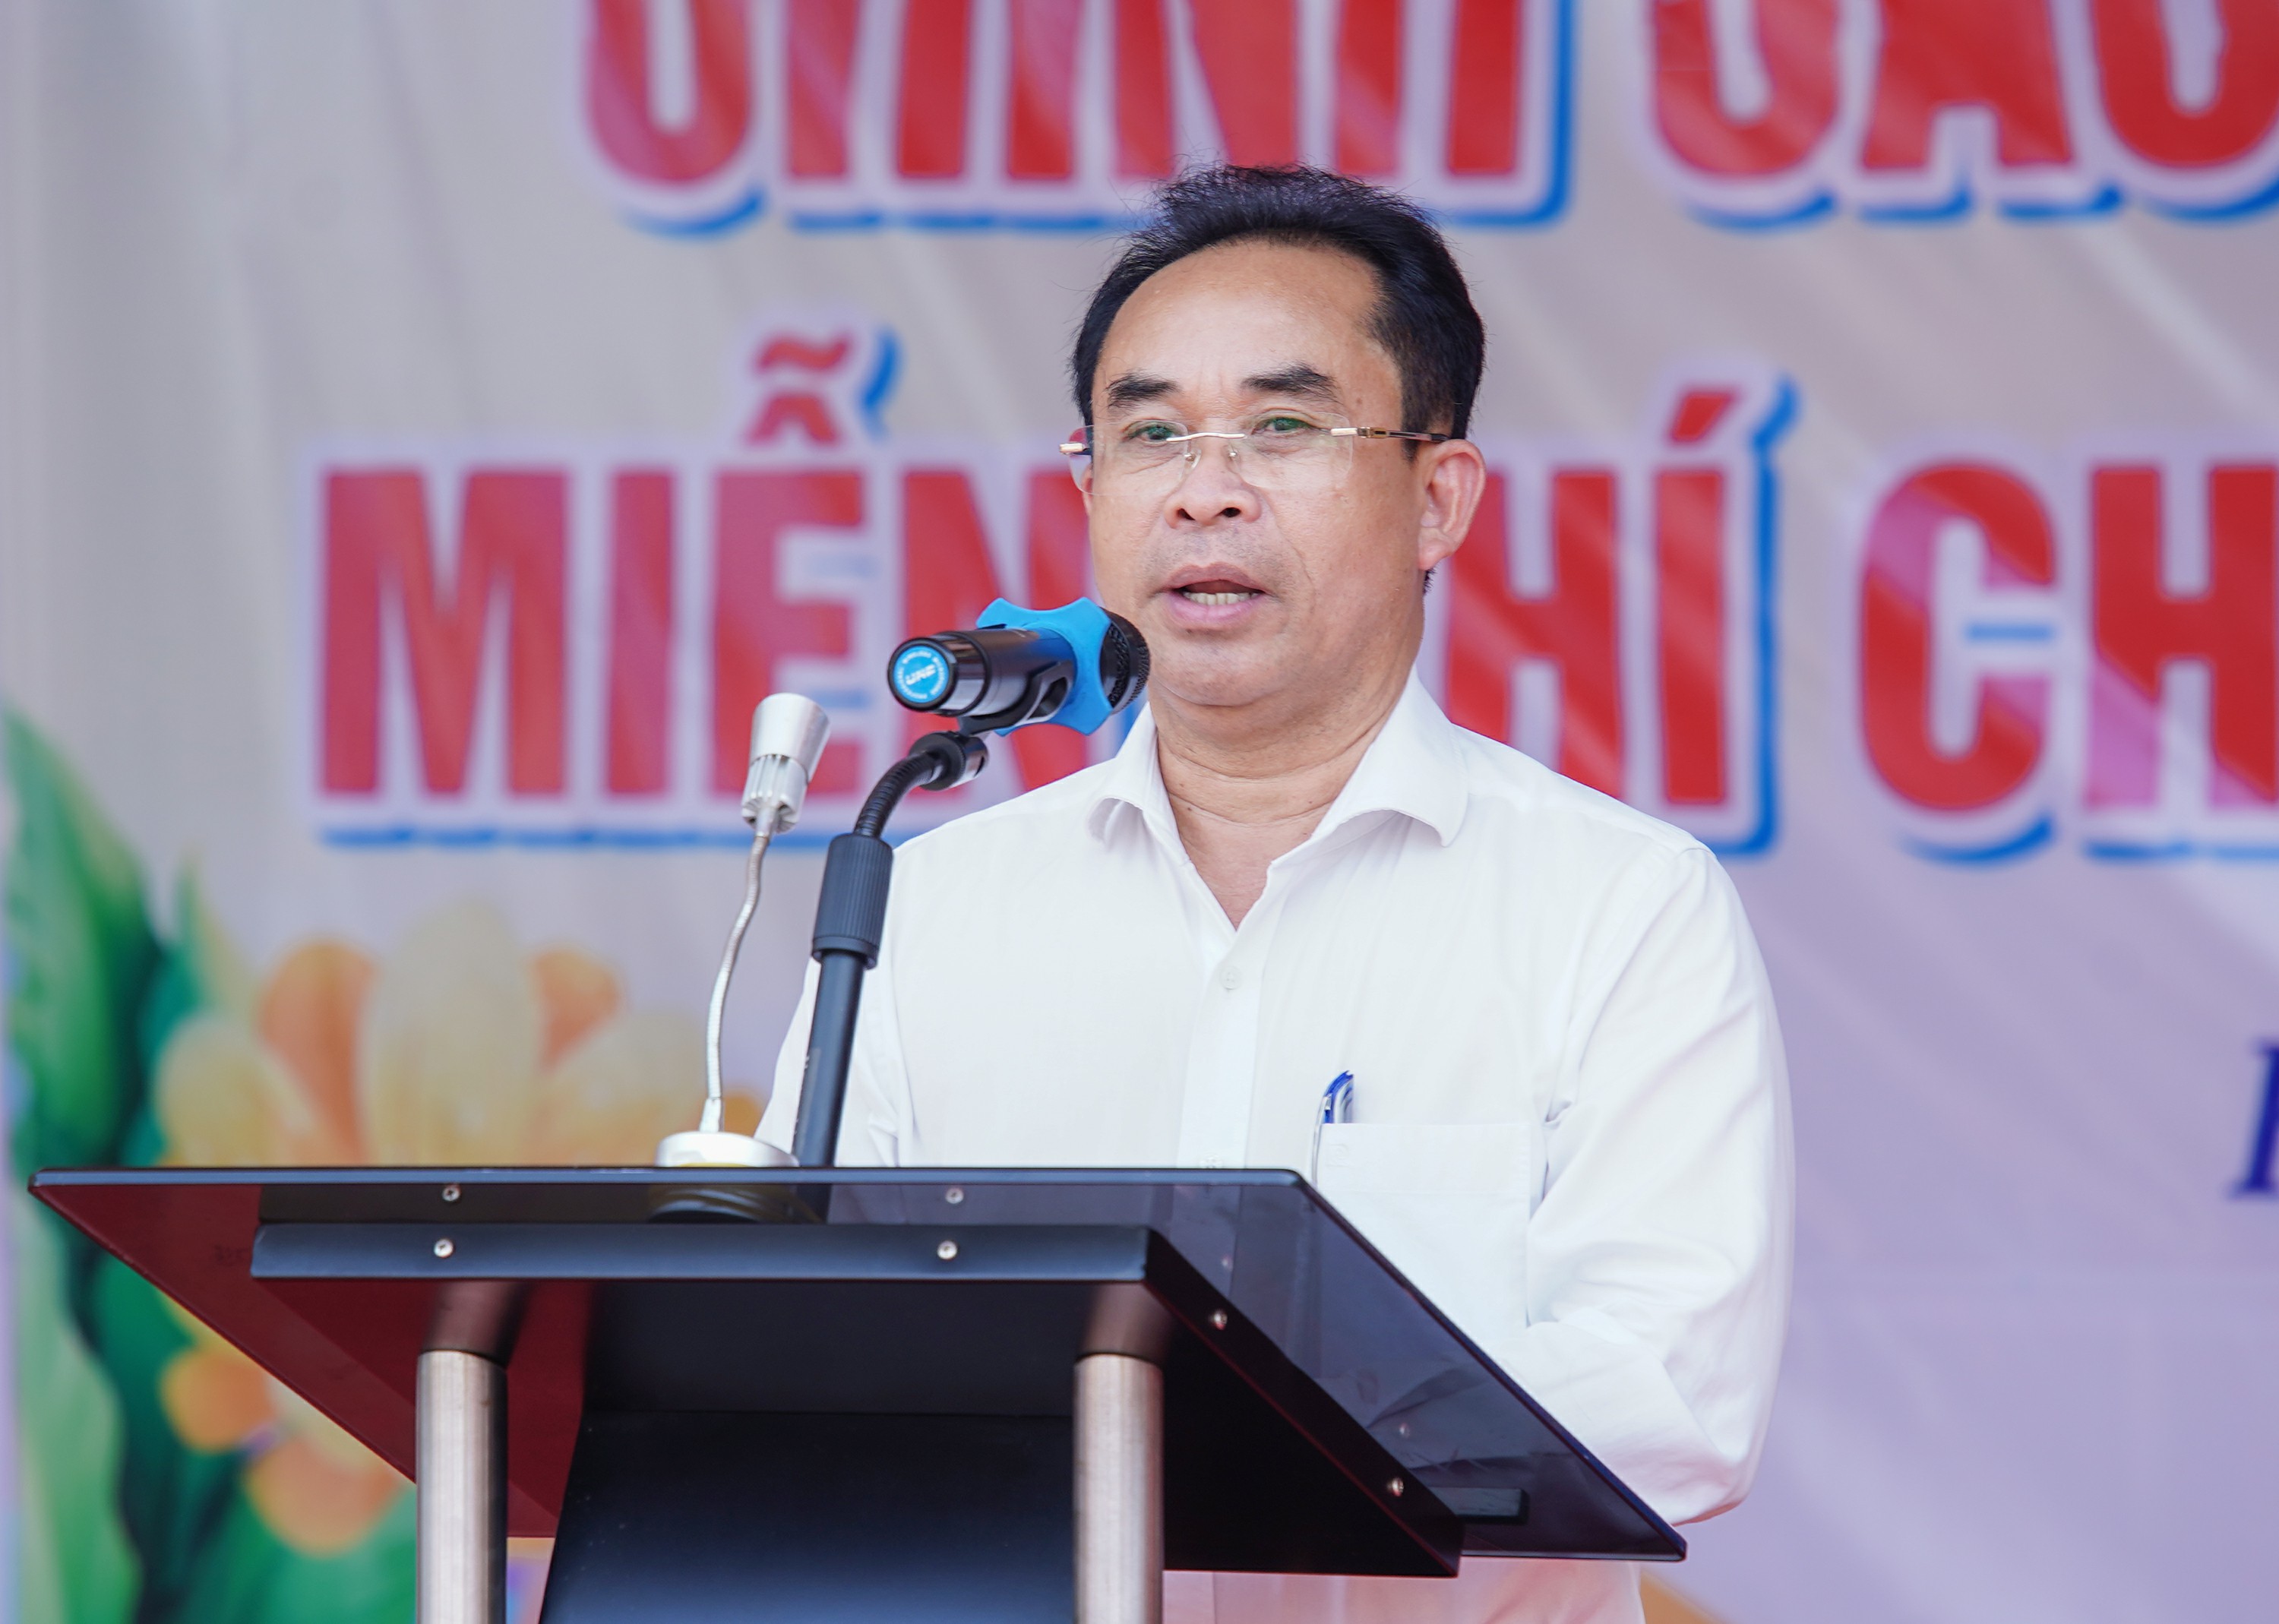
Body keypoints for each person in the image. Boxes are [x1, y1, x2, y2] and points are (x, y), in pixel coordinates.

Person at [762, 164, 1791, 1624]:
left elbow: (1669, 1398)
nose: (1205, 489)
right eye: (1151, 434)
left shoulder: (1618, 906)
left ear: (1437, 497)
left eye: (1284, 426)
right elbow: (788, 1347)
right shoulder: (926, 908)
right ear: (1090, 491)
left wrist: (1164, 1413)